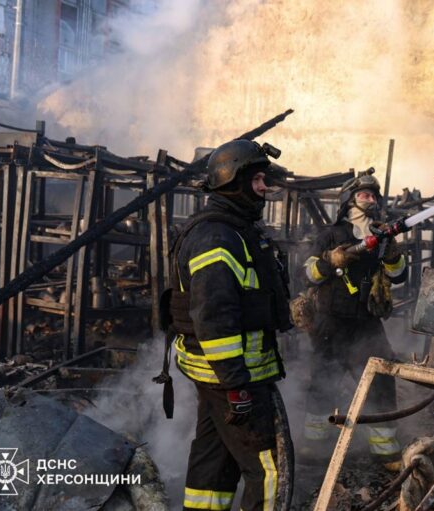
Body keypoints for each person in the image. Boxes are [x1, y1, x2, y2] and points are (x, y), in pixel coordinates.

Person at [165, 139, 292, 511]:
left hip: (220, 377)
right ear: (232, 182)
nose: (264, 187)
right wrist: (236, 385)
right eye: (256, 179)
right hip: (234, 377)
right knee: (269, 472)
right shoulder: (218, 238)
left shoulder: (233, 230)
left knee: (214, 465)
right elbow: (214, 320)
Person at [301, 171, 408, 469]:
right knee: (323, 381)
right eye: (364, 195)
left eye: (374, 195)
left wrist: (393, 254)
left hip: (367, 323)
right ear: (349, 199)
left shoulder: (382, 235)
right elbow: (307, 273)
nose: (371, 200)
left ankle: (385, 450)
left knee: (381, 381)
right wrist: (329, 261)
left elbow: (399, 276)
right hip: (331, 322)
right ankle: (314, 444)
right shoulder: (330, 235)